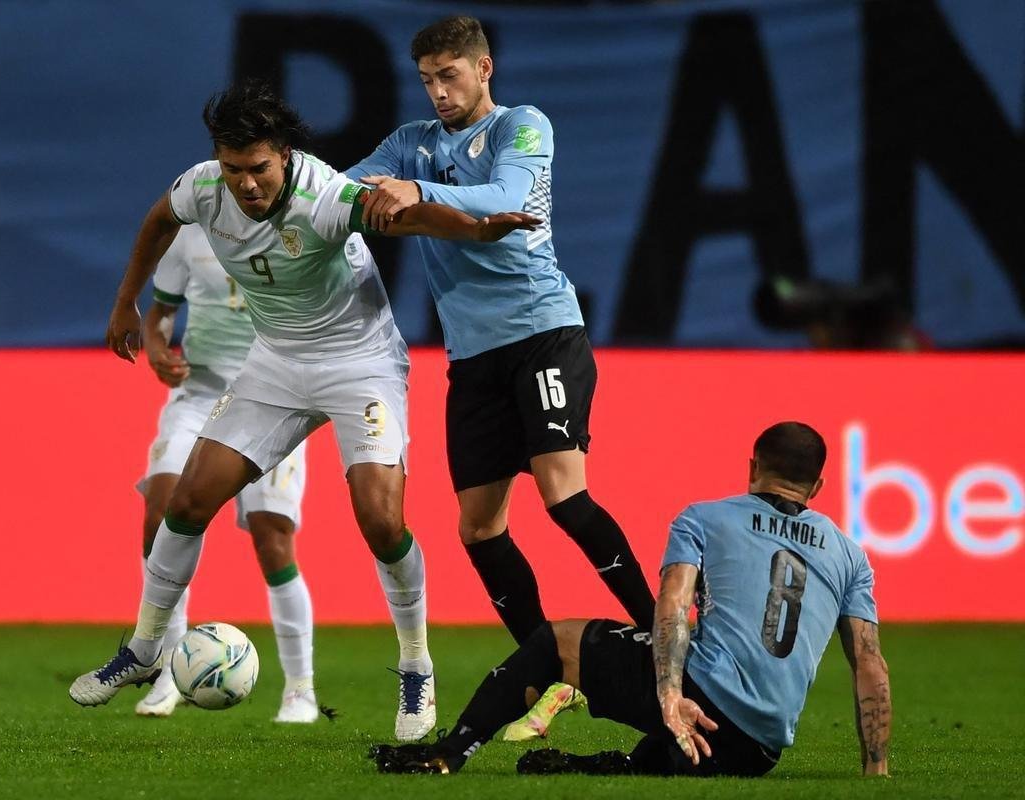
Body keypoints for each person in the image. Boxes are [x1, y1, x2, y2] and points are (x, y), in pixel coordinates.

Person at [67, 79, 540, 742]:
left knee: (380, 520)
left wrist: (480, 227)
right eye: (234, 170)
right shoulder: (204, 187)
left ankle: (415, 663)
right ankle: (145, 650)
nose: (246, 185)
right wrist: (125, 303)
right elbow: (158, 220)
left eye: (258, 169)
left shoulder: (325, 196)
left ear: (283, 155)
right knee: (187, 503)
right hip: (276, 365)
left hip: (360, 365)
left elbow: (410, 218)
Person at [345, 15, 655, 739]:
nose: (438, 91)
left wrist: (407, 191)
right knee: (479, 528)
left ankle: (664, 638)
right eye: (427, 78)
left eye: (449, 75)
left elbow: (502, 199)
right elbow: (347, 193)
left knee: (562, 492)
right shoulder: (410, 139)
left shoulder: (521, 126)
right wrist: (345, 191)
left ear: (484, 68)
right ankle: (545, 665)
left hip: (543, 332)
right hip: (472, 357)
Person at [370, 422, 892, 777]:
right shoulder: (851, 556)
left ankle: (449, 752)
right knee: (679, 727)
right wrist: (876, 771)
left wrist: (669, 696)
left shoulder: (705, 518)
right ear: (818, 485)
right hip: (759, 749)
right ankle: (607, 765)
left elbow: (670, 608)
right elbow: (870, 665)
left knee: (558, 640)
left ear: (752, 466)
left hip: (696, 708)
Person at [132, 224, 317, 723]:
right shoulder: (189, 236)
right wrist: (156, 350)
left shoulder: (297, 228)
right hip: (199, 395)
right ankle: (171, 669)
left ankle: (300, 689)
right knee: (161, 513)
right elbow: (161, 315)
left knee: (272, 538)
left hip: (273, 399)